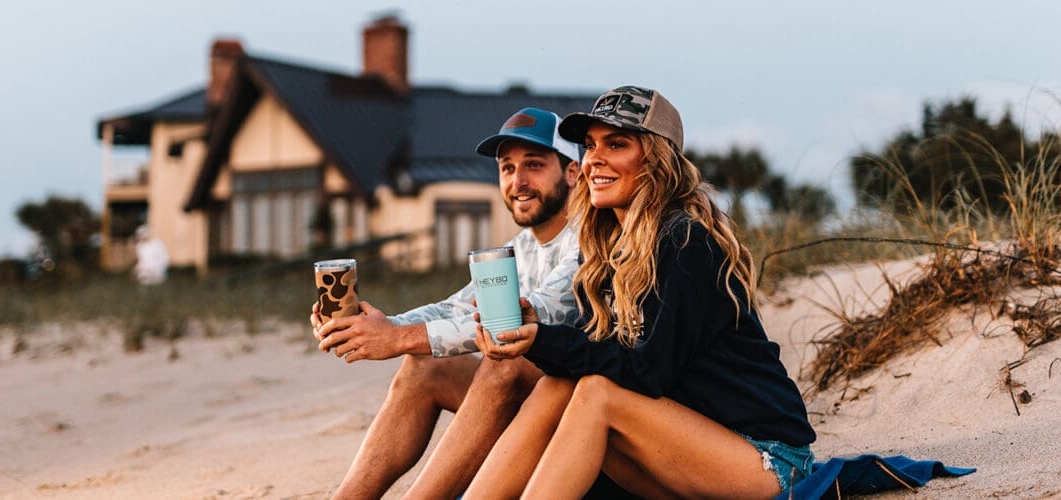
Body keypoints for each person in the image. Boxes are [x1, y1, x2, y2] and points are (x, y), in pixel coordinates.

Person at [465, 86, 817, 499]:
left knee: (596, 393)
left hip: (766, 459)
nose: (594, 159)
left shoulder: (687, 241)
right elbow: (596, 350)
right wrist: (532, 334)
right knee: (557, 385)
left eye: (616, 144)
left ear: (656, 159)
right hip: (680, 446)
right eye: (591, 145)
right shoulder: (609, 252)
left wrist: (544, 341)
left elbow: (649, 372)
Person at [311, 107, 582, 499]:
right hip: (531, 414)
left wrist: (398, 338)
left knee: (506, 360)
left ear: (572, 172)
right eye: (507, 168)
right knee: (426, 368)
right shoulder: (519, 250)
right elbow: (455, 309)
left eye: (534, 165)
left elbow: (528, 317)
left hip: (582, 419)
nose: (518, 181)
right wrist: (375, 327)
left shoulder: (590, 240)